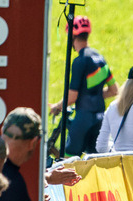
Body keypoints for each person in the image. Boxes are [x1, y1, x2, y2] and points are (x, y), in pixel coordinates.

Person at [50, 16, 118, 157]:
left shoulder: (79, 61)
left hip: (83, 117)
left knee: (68, 159)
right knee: (93, 160)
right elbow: (114, 90)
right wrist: (95, 95)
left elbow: (72, 97)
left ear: (72, 36)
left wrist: (57, 106)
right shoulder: (100, 58)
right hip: (100, 117)